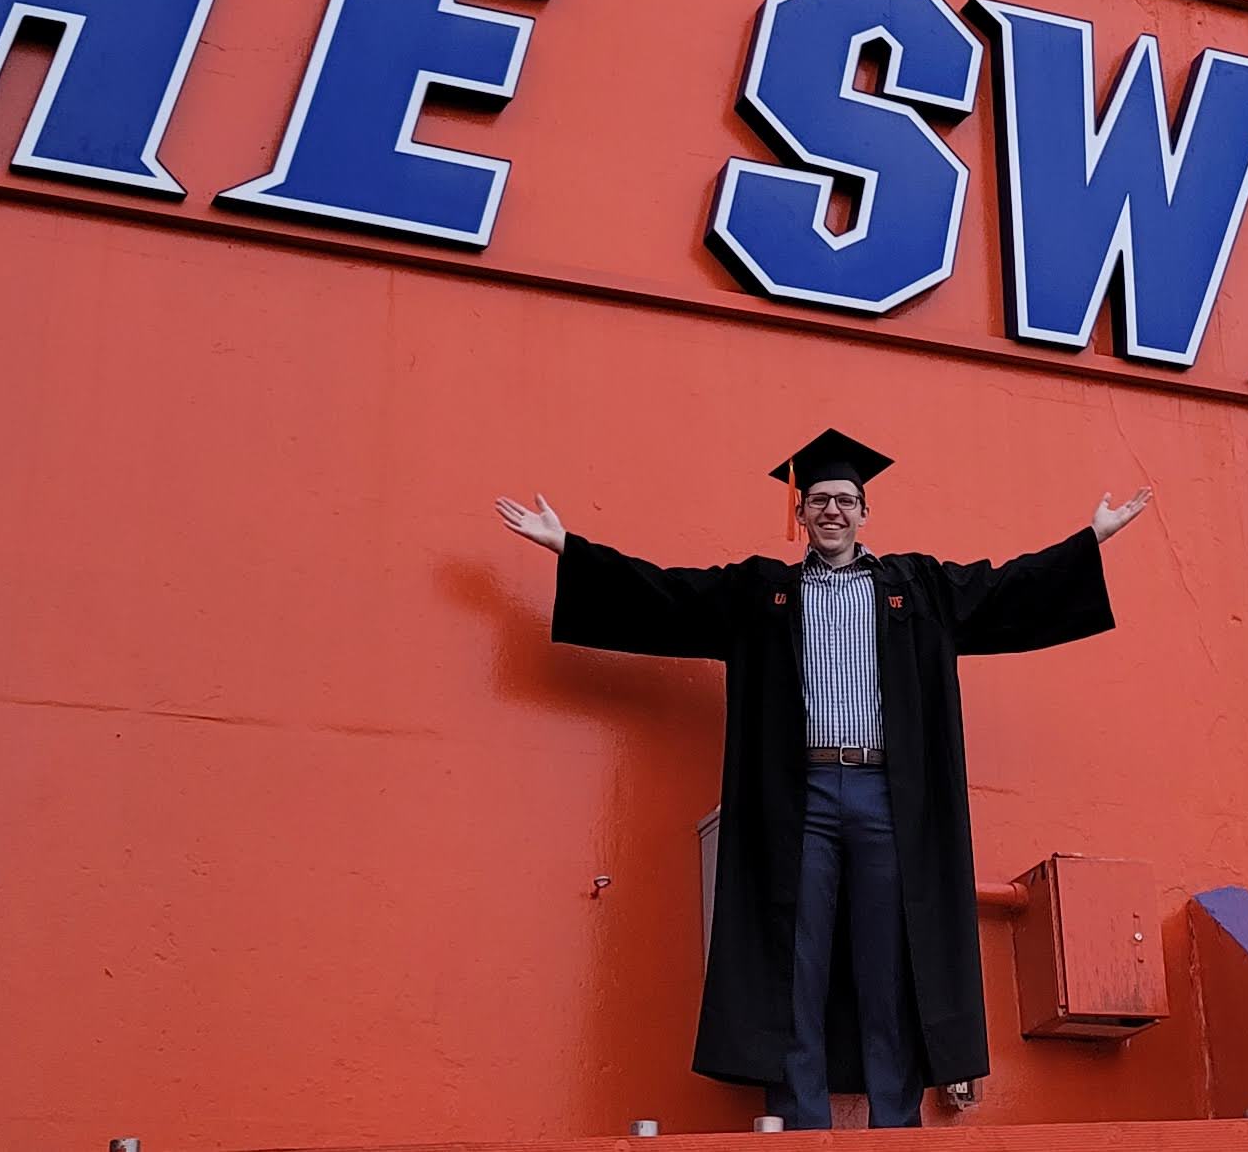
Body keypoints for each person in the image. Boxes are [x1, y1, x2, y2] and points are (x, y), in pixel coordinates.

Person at [493, 429, 1150, 1129]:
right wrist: (569, 549)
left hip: (884, 796)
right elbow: (669, 594)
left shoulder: (916, 587)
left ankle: (894, 1126)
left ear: (865, 512)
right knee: (792, 960)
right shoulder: (762, 593)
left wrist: (1091, 540)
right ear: (801, 514)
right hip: (799, 797)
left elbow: (1005, 588)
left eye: (844, 500)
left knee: (888, 962)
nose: (832, 510)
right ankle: (801, 1124)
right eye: (819, 501)